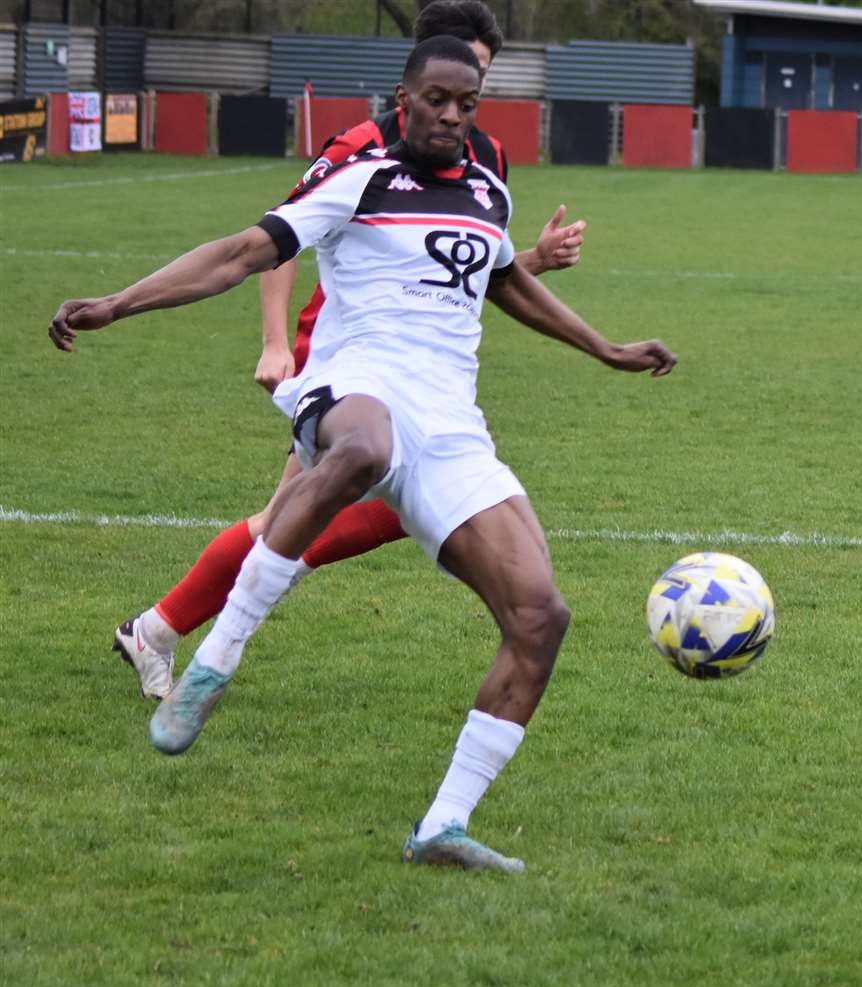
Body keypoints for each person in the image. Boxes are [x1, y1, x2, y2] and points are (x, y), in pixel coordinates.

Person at [51, 36, 678, 873]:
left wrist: (604, 348)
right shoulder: (363, 174)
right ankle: (214, 661)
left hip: (451, 425)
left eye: (467, 104)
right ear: (403, 97)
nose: (452, 116)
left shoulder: (488, 188)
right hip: (355, 381)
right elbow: (246, 252)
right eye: (437, 100)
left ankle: (441, 827)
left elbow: (500, 278)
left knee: (540, 617)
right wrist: (117, 304)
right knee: (360, 450)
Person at [111, 0, 586, 702]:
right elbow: (275, 240)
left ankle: (161, 625)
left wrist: (534, 261)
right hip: (344, 354)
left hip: (425, 363)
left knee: (361, 507)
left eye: (478, 85)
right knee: (321, 506)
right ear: (417, 75)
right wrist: (276, 345)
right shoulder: (357, 148)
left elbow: (463, 264)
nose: (462, 106)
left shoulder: (484, 158)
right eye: (454, 81)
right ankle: (167, 627)